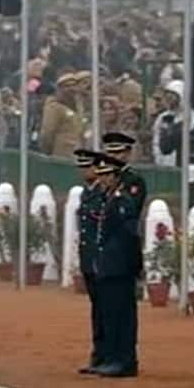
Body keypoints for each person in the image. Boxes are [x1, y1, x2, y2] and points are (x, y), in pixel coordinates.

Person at [91, 154, 141, 378]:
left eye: (106, 175)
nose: (102, 179)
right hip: (109, 265)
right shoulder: (109, 198)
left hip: (120, 266)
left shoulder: (122, 201)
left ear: (116, 176)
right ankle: (112, 357)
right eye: (100, 175)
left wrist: (131, 265)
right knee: (110, 314)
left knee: (122, 316)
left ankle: (124, 359)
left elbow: (129, 237)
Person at [74, 149, 105, 375]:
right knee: (97, 308)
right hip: (88, 256)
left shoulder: (103, 194)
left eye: (89, 167)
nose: (85, 172)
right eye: (82, 168)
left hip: (100, 257)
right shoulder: (87, 193)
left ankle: (106, 354)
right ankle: (99, 354)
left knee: (105, 308)